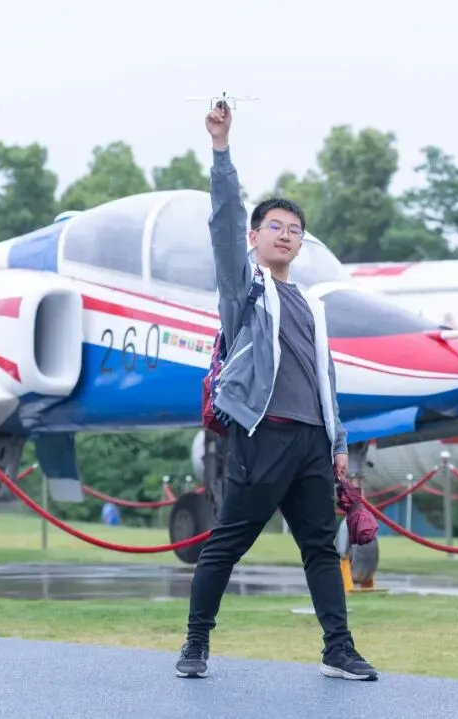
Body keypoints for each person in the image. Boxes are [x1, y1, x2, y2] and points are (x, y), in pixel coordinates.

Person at [175, 101, 377, 682]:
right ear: (254, 236)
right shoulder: (245, 290)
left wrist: (338, 444)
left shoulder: (311, 304)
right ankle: (195, 644)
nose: (286, 236)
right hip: (263, 436)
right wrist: (221, 149)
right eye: (275, 227)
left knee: (320, 548)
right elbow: (223, 220)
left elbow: (324, 379)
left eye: (295, 231)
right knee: (227, 544)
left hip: (313, 442)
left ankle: (338, 650)